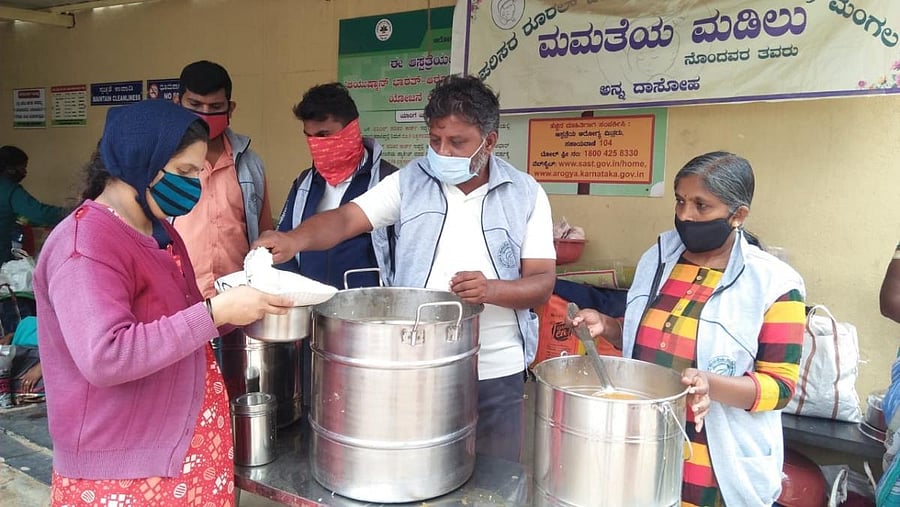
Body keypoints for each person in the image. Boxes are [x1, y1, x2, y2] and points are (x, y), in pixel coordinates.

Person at [254, 75, 557, 462]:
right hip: (417, 363)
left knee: (495, 479)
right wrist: (294, 239)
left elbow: (542, 283)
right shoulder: (412, 181)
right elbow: (346, 219)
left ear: (490, 141)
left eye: (457, 142)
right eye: (435, 141)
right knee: (420, 471)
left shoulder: (525, 193)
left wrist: (491, 290)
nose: (442, 152)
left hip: (496, 368)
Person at [33, 100, 293, 506]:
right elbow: (106, 355)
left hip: (186, 453)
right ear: (140, 161)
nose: (194, 185)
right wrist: (216, 312)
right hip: (129, 472)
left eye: (198, 172)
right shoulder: (85, 245)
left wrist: (240, 304)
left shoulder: (159, 233)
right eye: (185, 172)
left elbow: (179, 321)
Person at [572, 151, 806, 506]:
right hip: (643, 446)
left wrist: (712, 384)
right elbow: (647, 342)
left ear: (737, 215)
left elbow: (781, 387)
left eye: (702, 206)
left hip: (714, 461)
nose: (685, 215)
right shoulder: (658, 258)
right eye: (680, 201)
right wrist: (606, 326)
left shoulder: (773, 283)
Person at [275, 82, 397, 289]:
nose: (317, 145)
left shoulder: (388, 181)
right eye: (310, 137)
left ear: (352, 129)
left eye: (324, 135)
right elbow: (285, 242)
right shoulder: (304, 183)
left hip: (368, 309)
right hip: (310, 308)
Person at [173, 60, 273, 298]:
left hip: (237, 299)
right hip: (177, 301)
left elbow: (264, 233)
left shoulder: (250, 164)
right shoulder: (161, 161)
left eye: (215, 106)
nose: (205, 114)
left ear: (231, 108)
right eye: (195, 104)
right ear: (177, 104)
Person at [0, 146, 68, 262]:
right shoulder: (10, 189)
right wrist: (72, 212)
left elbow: (18, 215)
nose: (25, 172)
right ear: (10, 169)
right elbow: (40, 214)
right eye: (23, 167)